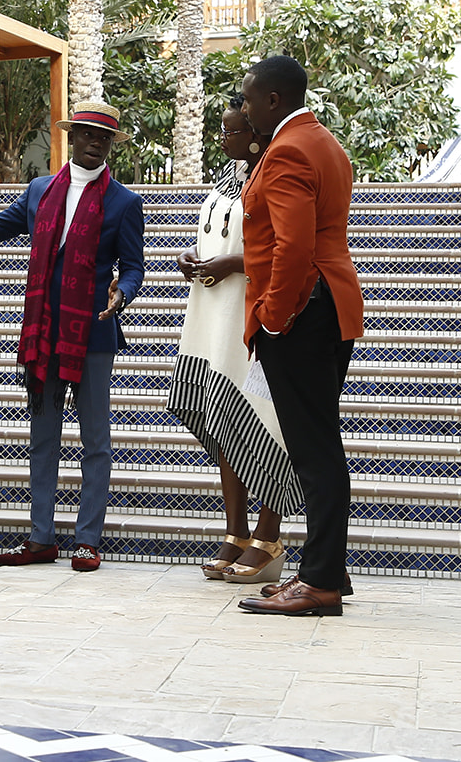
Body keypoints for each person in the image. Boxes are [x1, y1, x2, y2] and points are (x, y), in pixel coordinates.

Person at [0, 102, 145, 573]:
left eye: (105, 137)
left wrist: (123, 292)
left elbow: (133, 267)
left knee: (95, 440)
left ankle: (88, 540)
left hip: (93, 332)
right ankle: (41, 538)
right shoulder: (39, 190)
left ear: (111, 145)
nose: (96, 142)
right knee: (43, 438)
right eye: (88, 134)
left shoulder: (124, 202)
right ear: (71, 137)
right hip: (44, 332)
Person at [233, 56, 364, 617]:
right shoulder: (325, 143)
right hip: (331, 306)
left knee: (314, 450)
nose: (243, 110)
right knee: (320, 444)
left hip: (303, 312)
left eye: (247, 99)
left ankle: (319, 582)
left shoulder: (287, 149)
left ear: (272, 100)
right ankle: (326, 566)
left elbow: (293, 246)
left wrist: (272, 317)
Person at [170, 97, 301, 584]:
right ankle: (236, 532)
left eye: (230, 131)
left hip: (254, 312)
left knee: (264, 421)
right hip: (213, 316)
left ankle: (269, 537)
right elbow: (220, 236)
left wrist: (232, 264)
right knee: (226, 423)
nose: (222, 139)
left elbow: (290, 248)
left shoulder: (275, 173)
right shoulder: (229, 176)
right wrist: (192, 258)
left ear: (255, 133)